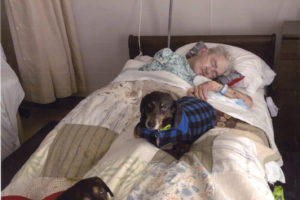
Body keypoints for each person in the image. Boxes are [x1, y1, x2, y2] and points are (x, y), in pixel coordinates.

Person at [186, 45, 253, 108]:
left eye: (214, 73)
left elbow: (248, 103)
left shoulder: (207, 84)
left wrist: (217, 87)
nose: (208, 71)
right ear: (203, 52)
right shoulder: (176, 60)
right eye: (212, 63)